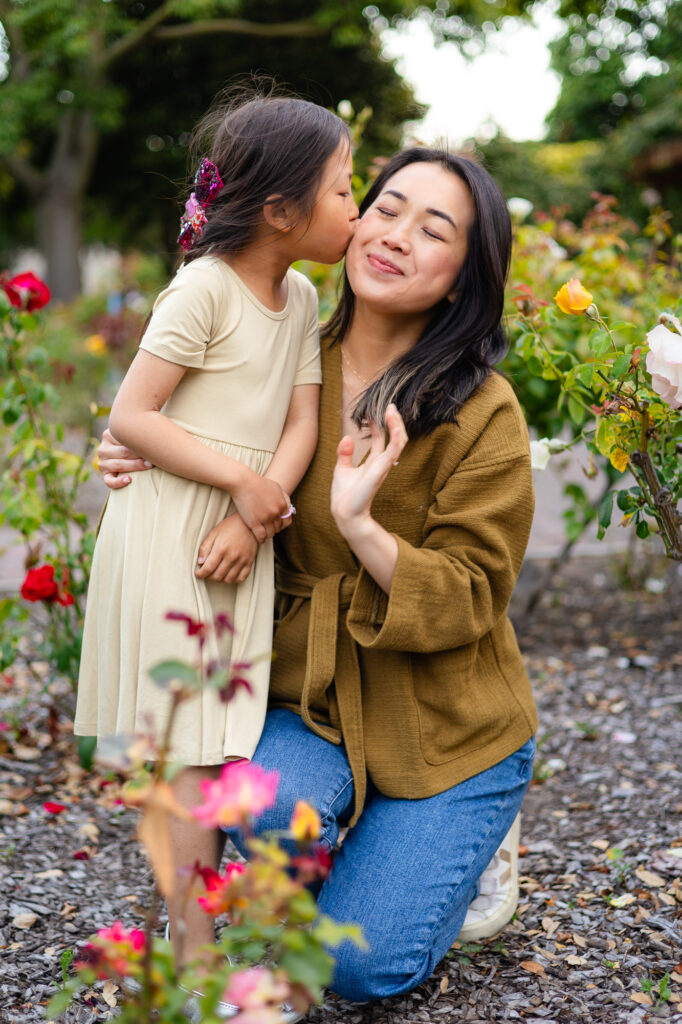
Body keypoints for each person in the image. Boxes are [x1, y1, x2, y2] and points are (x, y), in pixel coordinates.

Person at [96, 146, 538, 1004]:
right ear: (353, 218)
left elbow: (472, 598)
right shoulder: (288, 352)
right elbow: (181, 429)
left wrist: (361, 524)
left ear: (461, 278)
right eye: (387, 207)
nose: (397, 235)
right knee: (261, 807)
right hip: (311, 702)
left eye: (434, 228)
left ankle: (471, 840)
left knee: (358, 968)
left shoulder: (484, 412)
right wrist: (127, 449)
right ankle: (371, 841)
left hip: (446, 724)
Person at [75, 88, 358, 970]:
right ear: (280, 209)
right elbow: (133, 414)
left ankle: (198, 923)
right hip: (172, 536)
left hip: (239, 536)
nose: (357, 205)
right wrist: (243, 485)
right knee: (183, 750)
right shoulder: (202, 290)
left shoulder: (304, 295)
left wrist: (259, 501)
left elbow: (303, 422)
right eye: (345, 190)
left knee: (219, 739)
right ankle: (191, 938)